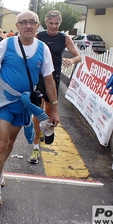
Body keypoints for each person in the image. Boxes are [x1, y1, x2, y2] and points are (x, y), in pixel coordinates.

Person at [0, 10, 60, 205]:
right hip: (4, 102)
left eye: (32, 22)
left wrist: (54, 109)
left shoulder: (43, 49)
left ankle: (0, 170)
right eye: (24, 22)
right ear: (18, 25)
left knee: (11, 142)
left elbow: (49, 80)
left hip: (23, 106)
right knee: (2, 143)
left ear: (38, 26)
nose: (28, 26)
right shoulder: (6, 44)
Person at [28, 10, 81, 164]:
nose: (53, 26)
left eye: (56, 24)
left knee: (50, 111)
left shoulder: (64, 38)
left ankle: (46, 130)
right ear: (46, 23)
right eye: (51, 23)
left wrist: (72, 61)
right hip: (38, 77)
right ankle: (36, 147)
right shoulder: (39, 37)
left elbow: (78, 56)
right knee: (38, 113)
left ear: (60, 24)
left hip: (54, 78)